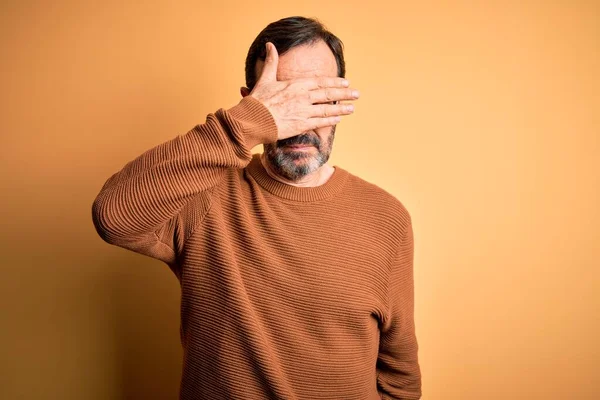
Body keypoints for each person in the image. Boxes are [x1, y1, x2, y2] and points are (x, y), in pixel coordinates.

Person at [92, 16, 421, 400]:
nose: (299, 122)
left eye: (317, 98)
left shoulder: (386, 216)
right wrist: (245, 124)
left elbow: (399, 372)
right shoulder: (205, 191)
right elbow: (113, 216)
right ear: (253, 101)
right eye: (285, 99)